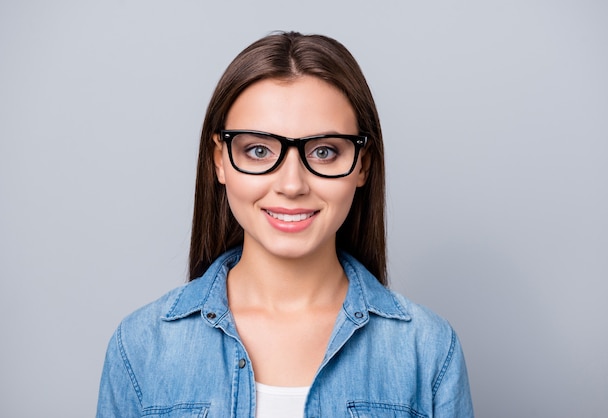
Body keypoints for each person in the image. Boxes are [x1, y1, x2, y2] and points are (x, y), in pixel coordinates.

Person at [96, 31, 473, 418]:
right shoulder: (140, 346)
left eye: (324, 151)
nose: (291, 185)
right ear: (219, 160)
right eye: (258, 150)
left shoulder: (428, 349)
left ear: (362, 164)